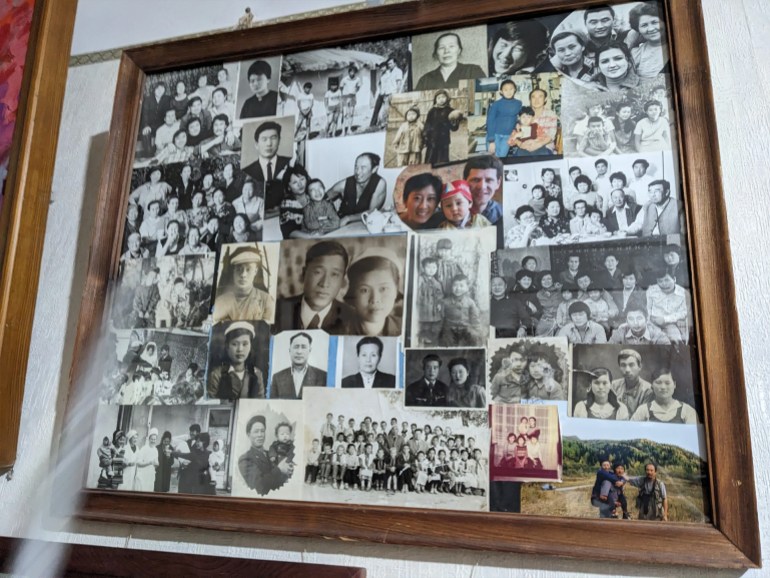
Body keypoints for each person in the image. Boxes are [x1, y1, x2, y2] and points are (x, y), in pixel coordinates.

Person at [274, 241, 353, 333]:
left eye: (334, 274)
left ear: (342, 280)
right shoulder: (276, 310)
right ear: (304, 273)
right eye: (317, 272)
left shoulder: (353, 319)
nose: (324, 284)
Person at [342, 255, 401, 336]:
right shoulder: (338, 331)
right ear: (352, 293)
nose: (375, 299)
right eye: (364, 290)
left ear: (396, 291)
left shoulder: (405, 329)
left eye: (383, 289)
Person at [214, 245, 275, 323]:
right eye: (239, 269)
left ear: (255, 271)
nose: (243, 275)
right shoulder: (220, 302)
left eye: (248, 269)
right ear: (233, 271)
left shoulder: (266, 301)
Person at [242, 121, 292, 213]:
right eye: (264, 139)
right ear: (256, 145)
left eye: (273, 138)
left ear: (279, 141)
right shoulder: (248, 170)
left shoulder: (289, 162)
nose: (269, 143)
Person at [207, 321, 266, 399]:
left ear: (250, 346)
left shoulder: (257, 374)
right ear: (227, 347)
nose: (240, 349)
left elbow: (261, 403)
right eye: (234, 344)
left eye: (245, 344)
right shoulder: (216, 375)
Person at [238, 415, 293, 495]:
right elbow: (259, 487)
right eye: (256, 431)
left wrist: (288, 471)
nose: (260, 435)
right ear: (248, 434)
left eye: (262, 431)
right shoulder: (245, 459)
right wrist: (279, 469)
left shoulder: (271, 454)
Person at [326, 152, 387, 223]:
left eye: (363, 168)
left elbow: (372, 212)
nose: (358, 172)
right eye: (356, 167)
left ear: (374, 169)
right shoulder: (344, 184)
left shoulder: (379, 183)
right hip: (341, 224)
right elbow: (321, 199)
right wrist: (331, 214)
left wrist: (348, 218)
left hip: (364, 224)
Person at [415, 32, 486, 90]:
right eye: (442, 47)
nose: (446, 51)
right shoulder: (425, 80)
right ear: (436, 53)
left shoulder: (473, 71)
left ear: (459, 50)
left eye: (451, 46)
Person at [270, 332, 327, 399]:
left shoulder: (323, 376)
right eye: (296, 347)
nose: (299, 351)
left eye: (303, 347)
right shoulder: (277, 377)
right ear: (290, 350)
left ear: (310, 350)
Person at [631, 367, 698, 424]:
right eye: (658, 383)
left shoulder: (687, 411)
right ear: (652, 385)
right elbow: (631, 433)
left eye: (667, 383)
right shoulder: (643, 411)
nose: (663, 387)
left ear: (674, 384)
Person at [646, 268, 689, 342]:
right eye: (660, 281)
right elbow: (647, 308)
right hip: (652, 322)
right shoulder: (651, 290)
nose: (664, 284)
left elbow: (684, 313)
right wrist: (650, 319)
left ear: (674, 279)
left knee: (676, 340)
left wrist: (665, 319)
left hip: (671, 323)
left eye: (667, 280)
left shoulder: (683, 293)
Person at [422, 90, 464, 165]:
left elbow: (453, 128)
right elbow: (427, 124)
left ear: (447, 98)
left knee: (442, 161)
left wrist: (456, 122)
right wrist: (425, 136)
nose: (441, 99)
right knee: (430, 160)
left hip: (443, 141)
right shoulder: (432, 111)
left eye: (443, 97)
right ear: (435, 100)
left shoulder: (450, 111)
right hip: (432, 140)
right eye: (439, 98)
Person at [439, 274, 482, 346]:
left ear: (467, 288)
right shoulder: (445, 302)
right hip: (450, 328)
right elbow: (441, 318)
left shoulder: (470, 302)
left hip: (465, 328)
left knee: (474, 338)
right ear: (451, 287)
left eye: (461, 286)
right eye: (455, 285)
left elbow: (475, 319)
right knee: (446, 340)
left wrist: (477, 331)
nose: (458, 288)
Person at [629, 3, 669, 79]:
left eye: (654, 22)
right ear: (638, 29)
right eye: (644, 25)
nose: (651, 29)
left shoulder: (678, 46)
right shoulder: (636, 53)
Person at [609, 348, 654, 415]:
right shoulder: (613, 385)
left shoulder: (648, 390)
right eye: (623, 365)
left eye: (631, 365)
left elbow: (643, 416)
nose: (627, 370)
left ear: (640, 367)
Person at [486, 80, 522, 158]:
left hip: (508, 136)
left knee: (501, 157)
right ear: (501, 91)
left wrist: (518, 123)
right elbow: (490, 121)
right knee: (492, 159)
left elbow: (519, 117)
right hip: (495, 135)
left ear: (515, 89)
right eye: (505, 89)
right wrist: (491, 141)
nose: (508, 92)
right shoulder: (496, 104)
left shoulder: (518, 103)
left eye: (511, 89)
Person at [464, 155, 504, 226]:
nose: (482, 187)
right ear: (464, 182)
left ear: (498, 183)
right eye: (476, 180)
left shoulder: (504, 213)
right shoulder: (449, 213)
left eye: (489, 180)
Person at [279, 164, 311, 239]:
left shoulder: (314, 194)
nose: (300, 184)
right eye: (295, 182)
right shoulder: (286, 203)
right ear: (289, 187)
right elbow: (290, 232)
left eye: (302, 179)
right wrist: (310, 236)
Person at [417, 257, 445, 345]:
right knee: (424, 324)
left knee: (434, 323)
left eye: (434, 268)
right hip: (424, 307)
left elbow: (440, 295)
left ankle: (431, 338)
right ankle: (423, 337)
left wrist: (440, 303)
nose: (431, 270)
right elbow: (417, 294)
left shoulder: (437, 283)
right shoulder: (420, 280)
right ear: (423, 268)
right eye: (428, 267)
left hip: (434, 308)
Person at [340, 66, 362, 136]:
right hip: (345, 97)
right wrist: (344, 96)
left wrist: (354, 91)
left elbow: (358, 87)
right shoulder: (344, 79)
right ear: (349, 72)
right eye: (351, 72)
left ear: (355, 72)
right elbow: (341, 87)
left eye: (353, 72)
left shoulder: (357, 79)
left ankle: (349, 129)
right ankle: (343, 131)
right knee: (344, 114)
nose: (352, 73)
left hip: (352, 96)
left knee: (351, 114)